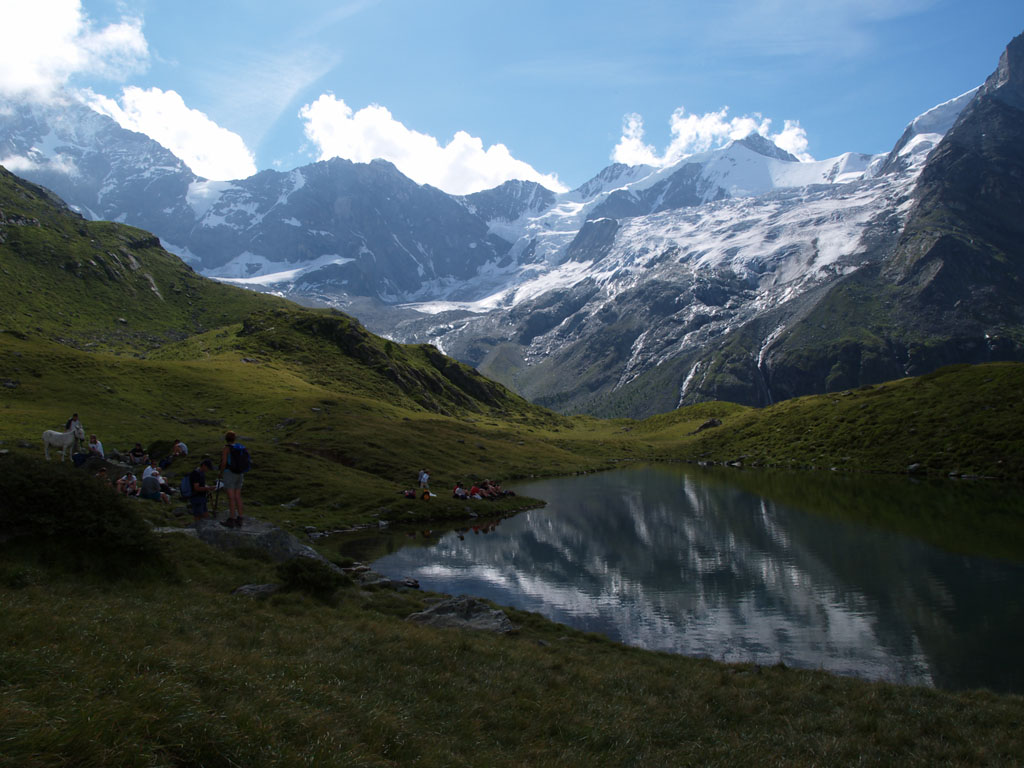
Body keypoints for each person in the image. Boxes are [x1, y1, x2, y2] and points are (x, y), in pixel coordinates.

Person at [219, 431, 245, 529]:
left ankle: (231, 519)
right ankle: (240, 518)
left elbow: (224, 462)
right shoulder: (239, 447)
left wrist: (221, 472)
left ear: (226, 438)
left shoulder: (226, 448)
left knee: (231, 497)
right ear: (234, 438)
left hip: (229, 473)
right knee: (238, 495)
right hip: (240, 473)